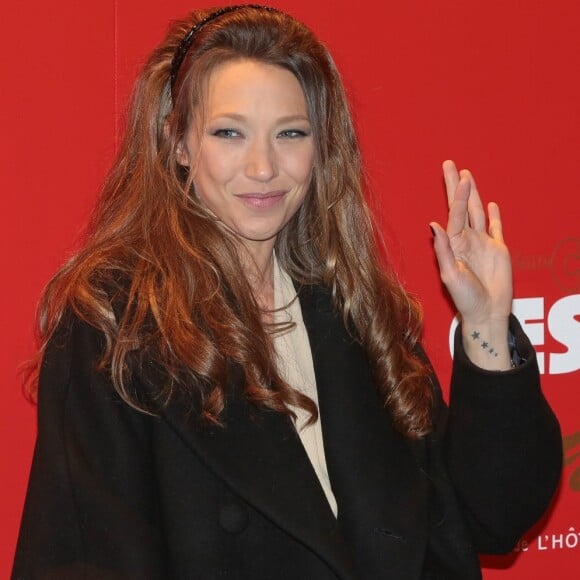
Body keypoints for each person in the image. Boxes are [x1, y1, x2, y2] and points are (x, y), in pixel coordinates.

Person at [12, 5, 561, 580]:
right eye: (229, 133)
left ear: (320, 148)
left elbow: (494, 517)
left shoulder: (351, 307)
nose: (263, 167)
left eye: (290, 134)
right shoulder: (117, 327)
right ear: (177, 142)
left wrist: (486, 323)